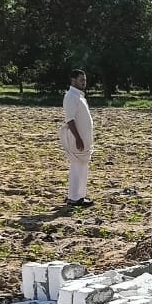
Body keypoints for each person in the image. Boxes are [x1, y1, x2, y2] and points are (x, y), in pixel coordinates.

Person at [60, 69, 94, 206]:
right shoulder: (71, 96)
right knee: (77, 166)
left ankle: (79, 195)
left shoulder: (79, 96)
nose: (84, 82)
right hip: (77, 138)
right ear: (73, 80)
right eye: (81, 80)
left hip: (83, 137)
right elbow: (70, 119)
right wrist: (78, 138)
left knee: (82, 166)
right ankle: (74, 197)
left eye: (85, 80)